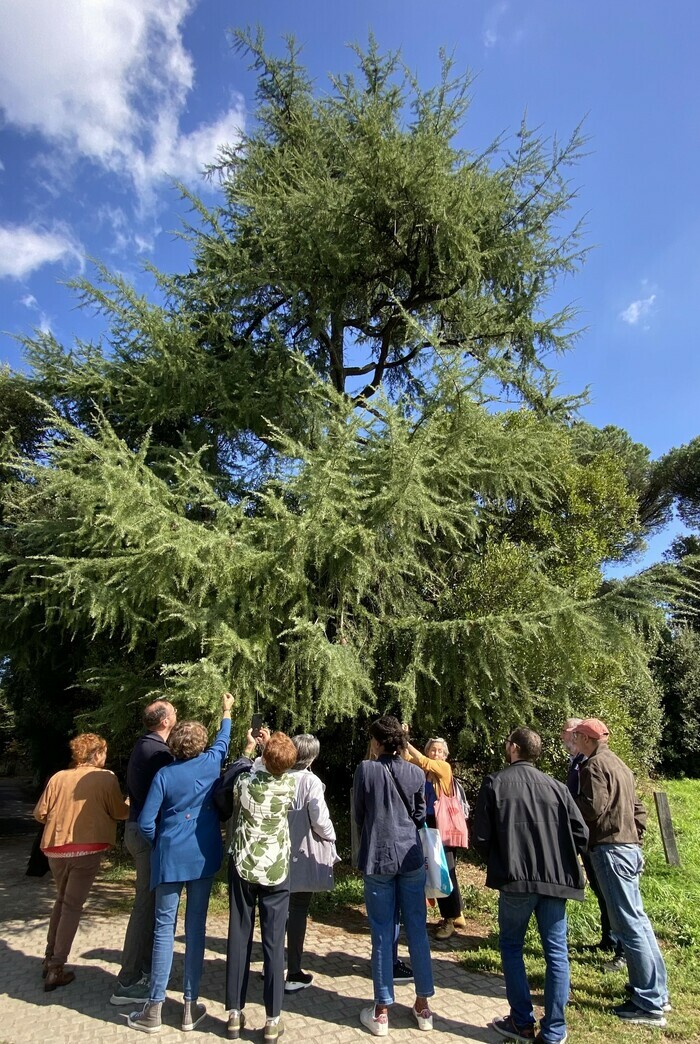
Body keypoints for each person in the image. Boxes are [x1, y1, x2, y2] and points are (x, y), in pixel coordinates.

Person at [124, 692, 233, 1034]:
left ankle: (154, 1007)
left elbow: (144, 822)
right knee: (196, 929)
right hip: (202, 857)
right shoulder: (211, 762)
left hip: (169, 858)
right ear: (200, 745)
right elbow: (224, 739)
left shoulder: (164, 776)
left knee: (163, 929)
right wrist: (227, 710)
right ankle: (189, 1006)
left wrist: (161, 842)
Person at [473, 727, 588, 1044]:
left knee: (512, 947)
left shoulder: (496, 782)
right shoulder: (557, 788)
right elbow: (581, 834)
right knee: (557, 954)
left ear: (512, 748)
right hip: (556, 881)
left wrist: (502, 860)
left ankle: (522, 1023)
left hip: (517, 880)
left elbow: (481, 838)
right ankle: (553, 1031)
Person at [572, 718, 670, 1028]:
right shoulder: (620, 765)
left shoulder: (592, 766)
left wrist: (568, 814)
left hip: (611, 849)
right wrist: (633, 837)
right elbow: (638, 808)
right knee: (638, 922)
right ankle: (657, 993)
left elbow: (592, 809)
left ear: (588, 739)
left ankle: (648, 1003)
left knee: (628, 925)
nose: (574, 742)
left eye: (577, 737)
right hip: (629, 847)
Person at [354, 715, 435, 1036]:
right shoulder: (415, 771)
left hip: (378, 858)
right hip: (411, 857)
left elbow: (359, 814)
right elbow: (419, 814)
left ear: (376, 742)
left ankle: (382, 1010)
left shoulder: (366, 770)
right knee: (418, 930)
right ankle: (423, 1007)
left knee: (382, 932)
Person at [34, 733, 129, 992]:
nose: (105, 757)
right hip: (87, 849)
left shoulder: (57, 777)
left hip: (54, 848)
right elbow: (119, 812)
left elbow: (40, 813)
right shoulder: (105, 777)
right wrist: (129, 803)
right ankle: (56, 967)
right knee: (72, 906)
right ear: (97, 754)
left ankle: (49, 957)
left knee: (62, 901)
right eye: (104, 752)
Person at [225, 727, 298, 1043]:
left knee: (239, 936)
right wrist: (273, 748)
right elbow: (279, 767)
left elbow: (241, 774)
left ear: (264, 756)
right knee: (273, 943)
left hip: (244, 864)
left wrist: (252, 749)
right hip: (277, 869)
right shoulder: (291, 785)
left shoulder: (245, 782)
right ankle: (272, 1020)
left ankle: (233, 1015)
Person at [110, 700, 177, 1006]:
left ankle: (146, 969)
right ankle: (128, 981)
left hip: (136, 829)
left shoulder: (145, 745)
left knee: (148, 905)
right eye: (173, 711)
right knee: (146, 907)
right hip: (145, 833)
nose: (176, 714)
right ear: (164, 721)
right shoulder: (159, 752)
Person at [560, 717, 624, 962]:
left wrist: (566, 806)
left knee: (613, 896)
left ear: (580, 735)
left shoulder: (593, 763)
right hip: (593, 837)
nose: (564, 736)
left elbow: (593, 806)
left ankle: (621, 949)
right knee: (602, 890)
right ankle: (609, 938)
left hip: (604, 837)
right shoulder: (579, 760)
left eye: (567, 732)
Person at [285, 733, 339, 992]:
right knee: (297, 909)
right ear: (312, 756)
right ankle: (293, 971)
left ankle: (272, 965)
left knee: (276, 909)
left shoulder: (278, 775)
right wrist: (331, 836)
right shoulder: (310, 782)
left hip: (276, 852)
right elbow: (319, 819)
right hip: (301, 851)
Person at [402, 727, 466, 940]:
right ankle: (455, 913)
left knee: (445, 870)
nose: (436, 754)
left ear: (445, 756)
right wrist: (403, 740)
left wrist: (407, 740)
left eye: (440, 751)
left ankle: (451, 918)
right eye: (433, 750)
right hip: (427, 825)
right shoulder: (425, 772)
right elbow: (408, 759)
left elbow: (419, 759)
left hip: (443, 827)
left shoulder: (443, 768)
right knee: (433, 869)